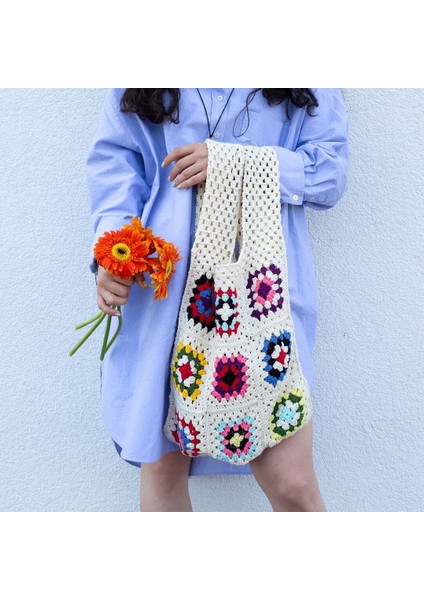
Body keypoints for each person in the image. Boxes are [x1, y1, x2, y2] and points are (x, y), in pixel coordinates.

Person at [86, 88, 349, 512]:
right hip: (163, 283)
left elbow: (329, 173)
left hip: (263, 292)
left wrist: (231, 163)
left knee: (291, 481)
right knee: (163, 469)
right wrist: (113, 253)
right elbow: (117, 164)